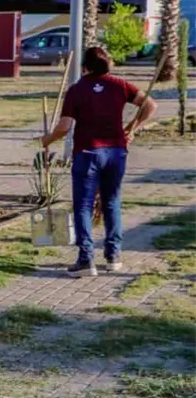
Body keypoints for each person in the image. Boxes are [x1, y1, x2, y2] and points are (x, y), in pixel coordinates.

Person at [40, 46, 156, 278]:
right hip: (116, 152)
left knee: (83, 206)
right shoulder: (120, 85)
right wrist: (131, 129)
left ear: (84, 67)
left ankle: (86, 259)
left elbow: (64, 127)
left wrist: (47, 140)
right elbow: (150, 105)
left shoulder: (76, 90)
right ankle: (113, 256)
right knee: (111, 202)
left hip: (88, 153)